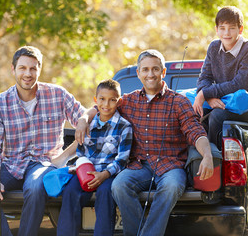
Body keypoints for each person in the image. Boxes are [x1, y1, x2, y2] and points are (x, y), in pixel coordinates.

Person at [76, 49, 214, 236]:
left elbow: (196, 132)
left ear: (163, 72)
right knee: (119, 185)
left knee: (172, 186)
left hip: (170, 166)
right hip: (138, 166)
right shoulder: (128, 101)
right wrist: (83, 120)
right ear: (138, 73)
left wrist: (207, 155)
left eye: (155, 69)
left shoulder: (179, 102)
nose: (150, 74)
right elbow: (100, 108)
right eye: (146, 69)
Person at [0, 46, 85, 236]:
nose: (28, 73)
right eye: (22, 68)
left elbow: (87, 117)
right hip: (10, 165)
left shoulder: (57, 94)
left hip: (44, 163)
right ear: (13, 69)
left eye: (33, 68)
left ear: (39, 69)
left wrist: (79, 128)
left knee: (34, 187)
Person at [193, 6, 248, 147]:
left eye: (232, 28)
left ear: (240, 29)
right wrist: (209, 97)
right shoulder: (214, 47)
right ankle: (192, 159)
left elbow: (239, 84)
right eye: (222, 28)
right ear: (216, 29)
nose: (226, 33)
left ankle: (215, 160)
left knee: (217, 116)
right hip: (228, 99)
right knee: (194, 114)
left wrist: (204, 93)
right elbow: (204, 77)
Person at [57, 79, 133, 236]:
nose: (107, 104)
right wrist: (83, 169)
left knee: (105, 194)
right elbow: (81, 152)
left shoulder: (124, 126)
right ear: (95, 100)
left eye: (112, 100)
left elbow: (122, 159)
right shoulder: (88, 125)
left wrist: (104, 174)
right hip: (88, 173)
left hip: (110, 174)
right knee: (71, 192)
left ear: (119, 102)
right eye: (102, 99)